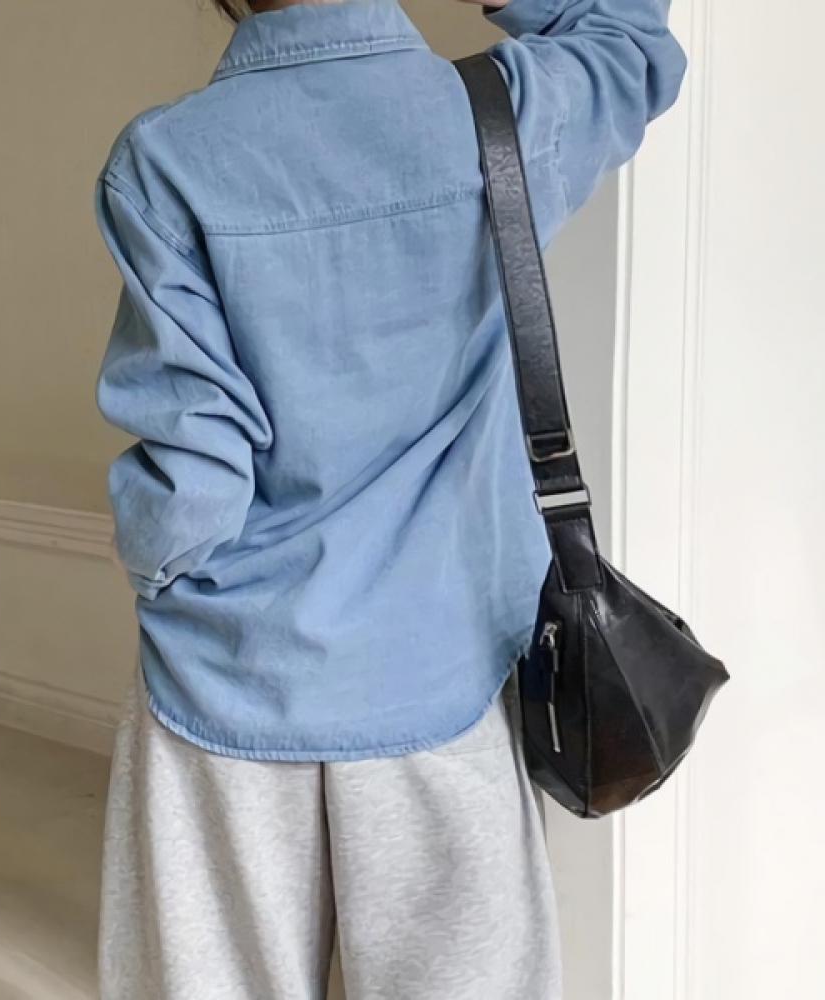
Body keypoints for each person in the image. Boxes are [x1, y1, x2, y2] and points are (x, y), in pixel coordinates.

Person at [94, 0, 685, 996]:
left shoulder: (165, 161)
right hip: (444, 671)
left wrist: (158, 571)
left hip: (233, 672)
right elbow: (630, 39)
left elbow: (195, 477)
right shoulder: (504, 114)